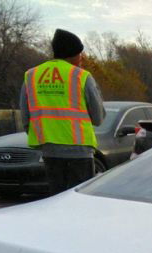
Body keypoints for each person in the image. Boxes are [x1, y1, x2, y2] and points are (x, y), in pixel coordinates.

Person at [20, 29, 105, 194]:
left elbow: (25, 116)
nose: (82, 58)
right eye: (80, 53)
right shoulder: (82, 76)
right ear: (72, 53)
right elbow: (98, 117)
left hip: (49, 151)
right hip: (79, 151)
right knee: (79, 201)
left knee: (56, 200)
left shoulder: (31, 75)